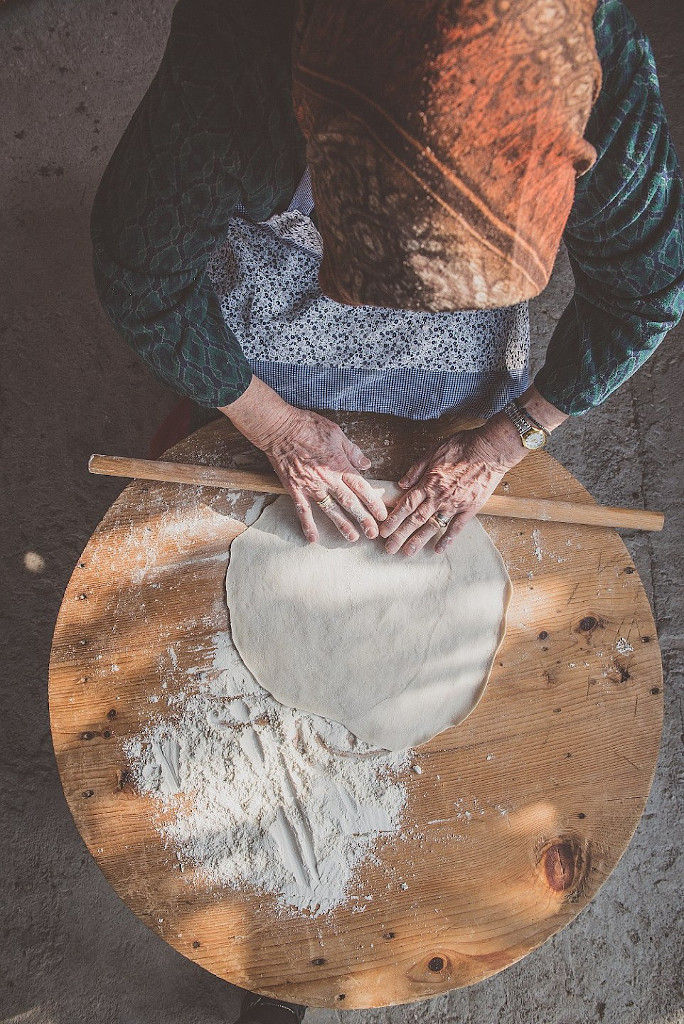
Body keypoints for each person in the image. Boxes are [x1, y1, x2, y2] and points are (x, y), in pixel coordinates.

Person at [91, 1, 682, 1020]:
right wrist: (270, 423)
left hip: (455, 385)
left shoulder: (597, 66)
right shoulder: (244, 69)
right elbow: (142, 269)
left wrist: (504, 439)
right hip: (271, 338)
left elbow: (649, 288)